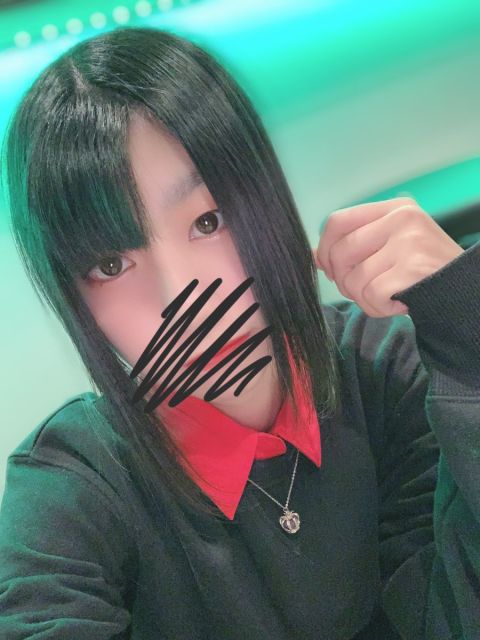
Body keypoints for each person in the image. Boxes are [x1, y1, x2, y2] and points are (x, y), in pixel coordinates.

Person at [1, 26, 479, 640]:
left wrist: (467, 326)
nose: (182, 300)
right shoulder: (74, 485)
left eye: (209, 220)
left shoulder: (390, 371)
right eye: (112, 264)